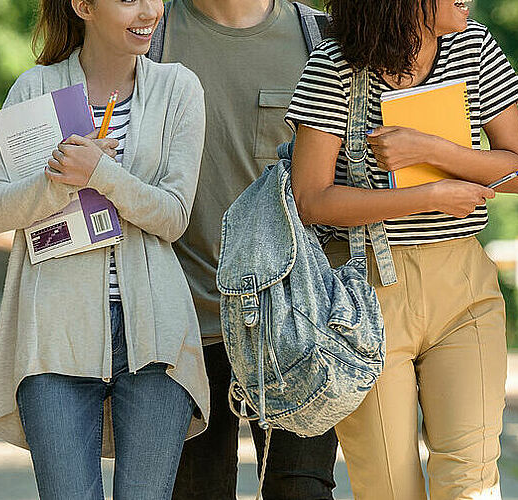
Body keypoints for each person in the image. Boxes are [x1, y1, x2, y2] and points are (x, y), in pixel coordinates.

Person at [286, 0, 518, 497]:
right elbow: (311, 200)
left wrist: (432, 151)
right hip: (365, 298)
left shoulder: (475, 46)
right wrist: (425, 197)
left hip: (464, 285)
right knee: (388, 486)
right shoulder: (335, 66)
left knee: (471, 483)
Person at [0, 0, 210, 498]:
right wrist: (57, 181)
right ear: (83, 6)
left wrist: (101, 175)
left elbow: (173, 216)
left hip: (155, 337)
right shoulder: (34, 88)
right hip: (55, 333)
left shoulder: (178, 88)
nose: (150, 10)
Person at [152, 0, 342, 498]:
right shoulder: (148, 32)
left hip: (294, 330)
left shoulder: (321, 37)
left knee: (300, 491)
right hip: (180, 327)